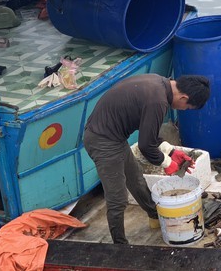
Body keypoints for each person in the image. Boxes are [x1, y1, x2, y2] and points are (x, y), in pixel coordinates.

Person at [83, 73, 210, 245]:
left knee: (136, 180)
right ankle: (119, 245)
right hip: (102, 141)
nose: (182, 110)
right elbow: (145, 145)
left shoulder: (158, 82)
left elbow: (149, 135)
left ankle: (155, 216)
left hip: (115, 136)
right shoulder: (158, 102)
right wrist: (167, 163)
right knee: (117, 198)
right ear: (183, 97)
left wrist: (172, 151)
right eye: (186, 107)